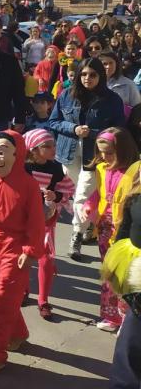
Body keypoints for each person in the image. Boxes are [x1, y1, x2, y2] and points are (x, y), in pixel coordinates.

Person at [0, 132, 46, 374]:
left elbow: (37, 222)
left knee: (4, 296)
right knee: (0, 292)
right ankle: (18, 333)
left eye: (2, 151)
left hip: (15, 246)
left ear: (18, 155)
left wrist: (30, 249)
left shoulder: (29, 185)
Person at [46, 57, 125, 261]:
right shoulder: (67, 95)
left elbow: (119, 130)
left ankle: (76, 236)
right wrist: (73, 129)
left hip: (96, 157)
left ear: (101, 76)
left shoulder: (112, 100)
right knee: (79, 196)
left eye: (92, 75)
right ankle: (88, 223)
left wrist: (93, 133)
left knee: (81, 195)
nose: (87, 78)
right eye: (83, 74)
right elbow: (53, 121)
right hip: (68, 153)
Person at [81, 127, 139, 332]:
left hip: (126, 229)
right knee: (109, 273)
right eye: (101, 152)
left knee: (126, 276)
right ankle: (110, 316)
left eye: (109, 152)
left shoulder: (135, 171)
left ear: (123, 149)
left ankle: (127, 320)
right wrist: (90, 205)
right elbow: (98, 193)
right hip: (105, 227)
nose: (104, 157)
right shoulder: (101, 168)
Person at [22, 129, 75, 321]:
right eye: (47, 146)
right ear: (33, 150)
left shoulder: (55, 168)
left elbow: (68, 188)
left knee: (45, 259)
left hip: (46, 219)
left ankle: (43, 300)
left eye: (53, 145)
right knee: (25, 255)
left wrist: (56, 196)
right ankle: (24, 290)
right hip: (23, 219)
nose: (54, 149)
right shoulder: (22, 167)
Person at [103, 189, 141, 388]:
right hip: (136, 281)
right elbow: (123, 234)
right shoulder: (134, 199)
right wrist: (116, 276)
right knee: (130, 347)